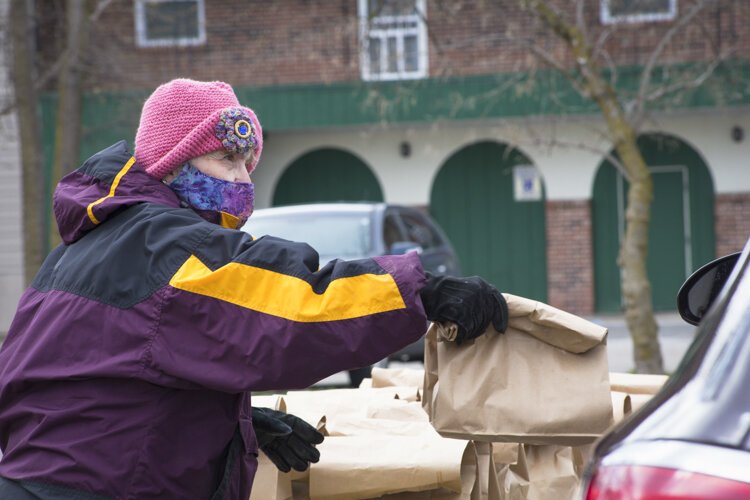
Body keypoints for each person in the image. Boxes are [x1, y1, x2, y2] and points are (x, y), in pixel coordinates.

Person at [0, 79, 508, 499]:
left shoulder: (78, 252)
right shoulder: (167, 246)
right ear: (171, 164)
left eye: (248, 163)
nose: (242, 179)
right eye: (226, 159)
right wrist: (422, 292)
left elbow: (105, 379)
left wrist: (233, 421)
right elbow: (296, 305)